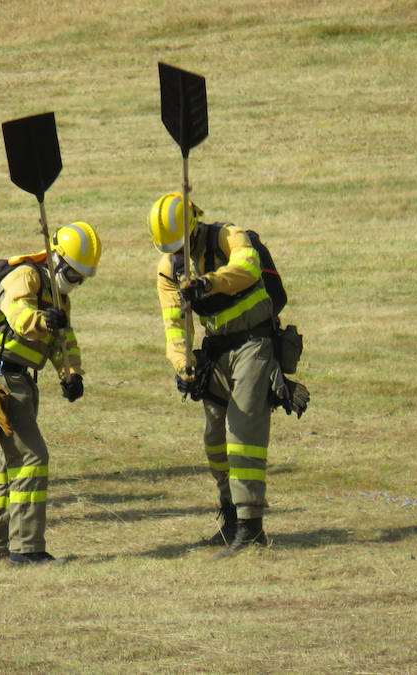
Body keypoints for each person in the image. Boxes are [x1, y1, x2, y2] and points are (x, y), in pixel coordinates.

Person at [149, 192, 281, 556]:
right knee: (214, 437)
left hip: (254, 343)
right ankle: (230, 519)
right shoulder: (169, 268)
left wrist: (209, 282)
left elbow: (248, 268)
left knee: (244, 431)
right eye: (169, 249)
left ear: (193, 228)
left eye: (180, 247)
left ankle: (252, 527)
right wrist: (182, 365)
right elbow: (175, 326)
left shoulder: (229, 236)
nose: (176, 256)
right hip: (217, 350)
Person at [0, 221, 101, 566]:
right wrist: (45, 320)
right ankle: (26, 549)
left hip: (22, 379)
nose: (74, 283)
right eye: (72, 275)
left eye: (81, 279)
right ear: (57, 259)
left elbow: (64, 342)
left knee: (10, 463)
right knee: (33, 457)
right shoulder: (25, 277)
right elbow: (18, 316)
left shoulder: (59, 297)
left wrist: (71, 374)